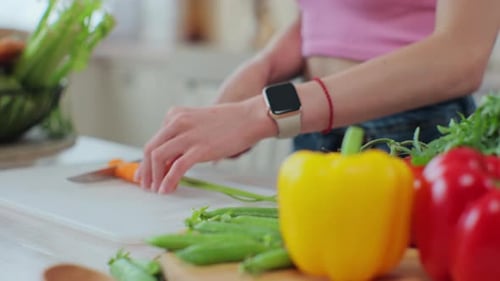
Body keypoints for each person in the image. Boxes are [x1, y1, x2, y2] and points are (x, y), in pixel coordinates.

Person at [137, 0, 500, 194]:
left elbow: (461, 54)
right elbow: (324, 15)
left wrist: (258, 113)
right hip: (310, 126)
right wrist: (262, 69)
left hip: (412, 132)